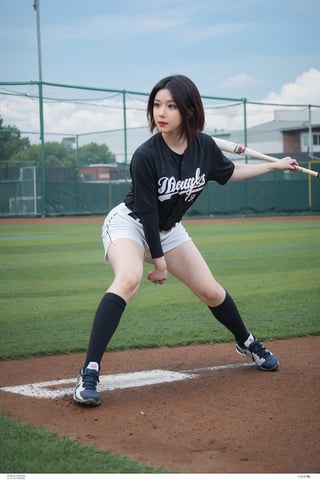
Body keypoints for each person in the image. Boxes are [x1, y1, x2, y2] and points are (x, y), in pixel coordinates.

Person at [73, 74, 299, 406]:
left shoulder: (203, 147)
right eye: (156, 105)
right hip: (131, 224)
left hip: (170, 228)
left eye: (171, 106)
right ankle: (88, 371)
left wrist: (274, 166)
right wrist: (160, 263)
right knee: (129, 278)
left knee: (211, 290)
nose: (160, 112)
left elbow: (228, 171)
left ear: (189, 110)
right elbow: (148, 214)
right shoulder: (146, 155)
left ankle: (246, 341)